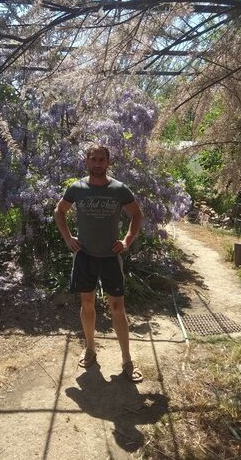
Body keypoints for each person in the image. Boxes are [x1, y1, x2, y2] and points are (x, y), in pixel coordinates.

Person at [54, 143, 144, 382]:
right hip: (85, 256)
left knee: (117, 307)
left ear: (108, 162)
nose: (97, 164)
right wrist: (68, 238)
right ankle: (90, 349)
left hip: (110, 257)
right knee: (87, 303)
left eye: (101, 159)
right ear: (86, 161)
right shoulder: (77, 188)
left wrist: (127, 240)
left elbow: (136, 214)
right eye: (93, 159)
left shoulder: (119, 189)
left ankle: (127, 360)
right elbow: (59, 212)